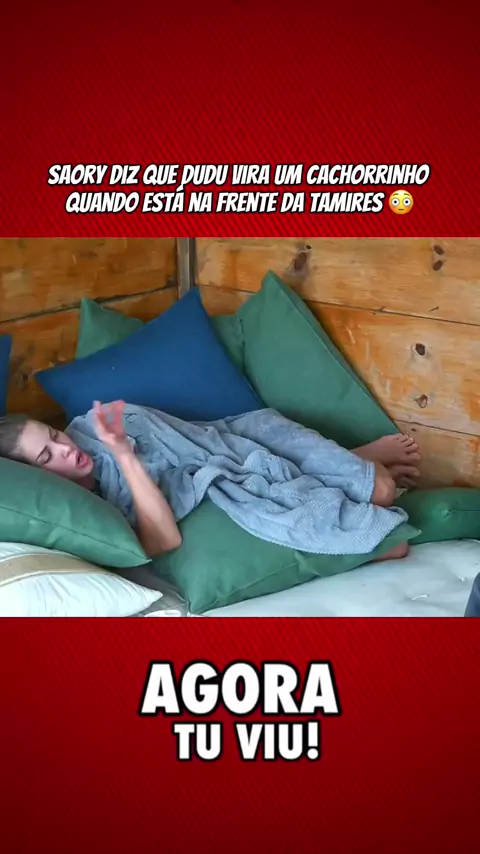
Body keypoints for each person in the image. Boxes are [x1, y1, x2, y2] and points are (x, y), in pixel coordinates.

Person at [0, 400, 421, 561]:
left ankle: (356, 457)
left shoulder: (93, 428)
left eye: (54, 435)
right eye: (47, 456)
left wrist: (118, 439)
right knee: (386, 513)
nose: (65, 448)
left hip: (236, 437)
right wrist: (124, 454)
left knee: (382, 488)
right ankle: (351, 461)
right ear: (36, 477)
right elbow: (163, 540)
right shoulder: (86, 513)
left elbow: (199, 441)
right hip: (225, 477)